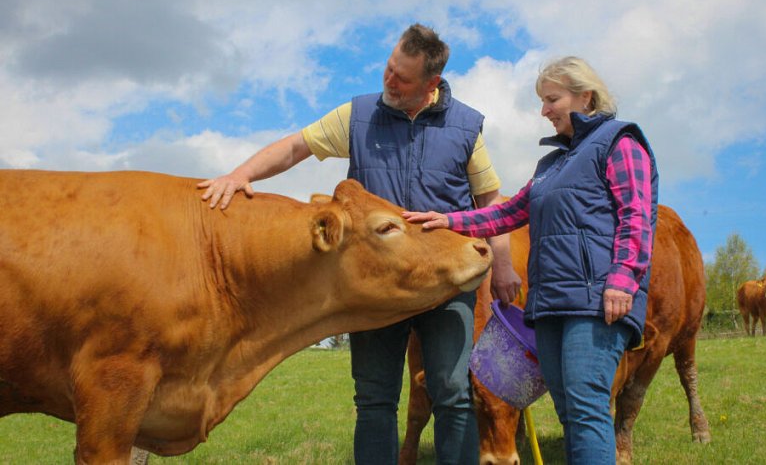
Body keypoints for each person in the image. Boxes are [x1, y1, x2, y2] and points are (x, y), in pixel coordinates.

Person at [197, 23, 521, 465]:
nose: (389, 81)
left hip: (446, 279)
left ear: (431, 84)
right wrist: (240, 176)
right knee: (374, 399)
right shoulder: (359, 114)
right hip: (378, 284)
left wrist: (501, 265)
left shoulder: (465, 126)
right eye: (389, 68)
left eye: (402, 78)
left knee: (452, 392)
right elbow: (295, 148)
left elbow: (489, 201)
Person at [404, 56, 658, 465]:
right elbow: (505, 213)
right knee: (571, 412)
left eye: (551, 99)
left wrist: (624, 277)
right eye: (542, 101)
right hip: (551, 305)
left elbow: (637, 214)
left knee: (588, 407)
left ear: (585, 96)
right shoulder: (552, 164)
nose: (544, 111)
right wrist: (448, 220)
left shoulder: (619, 142)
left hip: (596, 302)